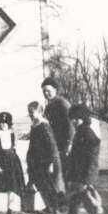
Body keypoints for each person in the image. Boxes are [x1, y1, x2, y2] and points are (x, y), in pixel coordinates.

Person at [53, 104, 108, 214]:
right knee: (74, 200)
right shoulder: (81, 132)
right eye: (72, 119)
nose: (73, 121)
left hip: (84, 177)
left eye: (76, 119)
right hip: (78, 175)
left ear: (82, 118)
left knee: (91, 203)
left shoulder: (87, 134)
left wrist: (87, 179)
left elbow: (91, 160)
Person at [26, 101, 65, 214]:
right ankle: (54, 213)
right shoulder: (35, 125)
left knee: (48, 188)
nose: (30, 115)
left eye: (32, 112)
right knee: (42, 188)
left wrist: (51, 163)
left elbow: (52, 145)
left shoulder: (44, 125)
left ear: (40, 112)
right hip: (36, 162)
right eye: (29, 113)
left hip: (45, 162)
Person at [41, 77, 74, 206]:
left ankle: (66, 204)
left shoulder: (62, 104)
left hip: (63, 144)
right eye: (44, 91)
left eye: (48, 91)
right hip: (53, 145)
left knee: (62, 174)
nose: (46, 93)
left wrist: (69, 144)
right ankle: (57, 203)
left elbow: (70, 125)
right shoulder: (48, 106)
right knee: (54, 174)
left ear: (55, 90)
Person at [0, 111, 26, 214]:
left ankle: (9, 212)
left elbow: (16, 149)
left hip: (13, 164)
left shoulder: (13, 134)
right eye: (1, 122)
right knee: (0, 185)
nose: (3, 125)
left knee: (13, 187)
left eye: (5, 123)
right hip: (1, 164)